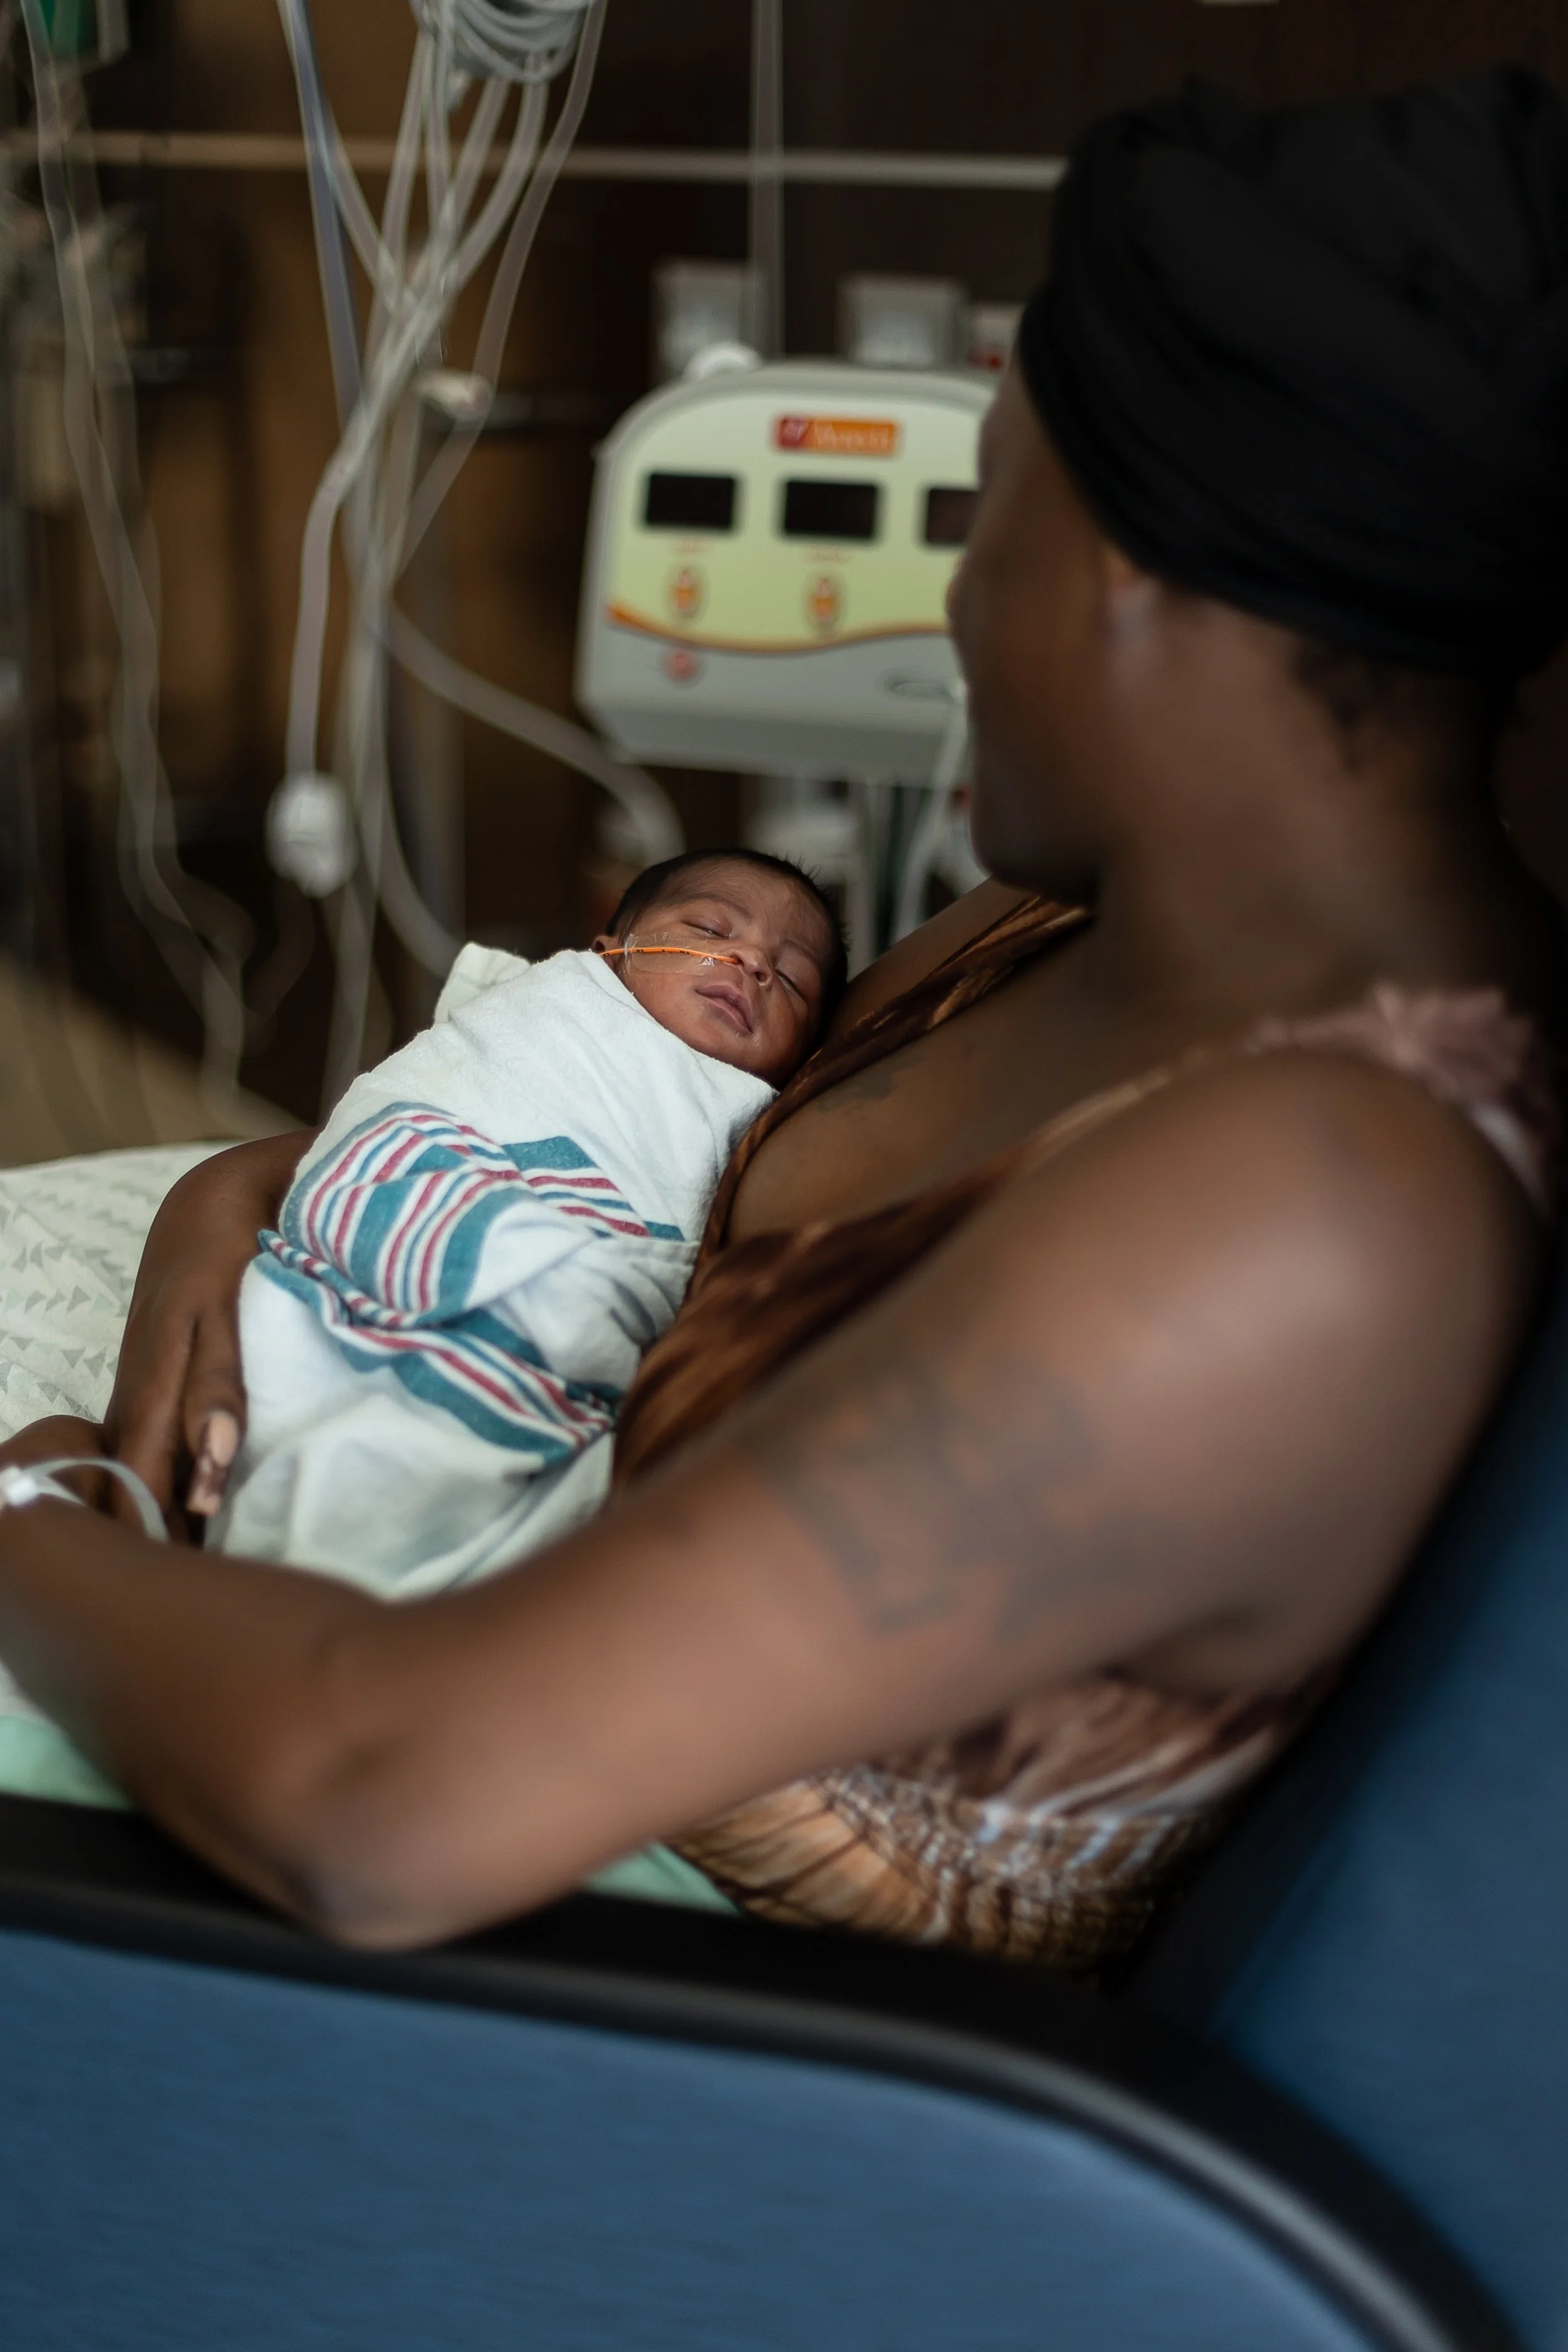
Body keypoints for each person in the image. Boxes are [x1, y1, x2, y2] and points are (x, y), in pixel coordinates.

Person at [0, 66, 1563, 1976]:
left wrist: (39, 1505)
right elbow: (660, 1169)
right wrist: (261, 1197)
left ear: (1133, 570)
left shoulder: (1316, 1200)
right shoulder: (1069, 924)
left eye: (982, 523)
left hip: (696, 2035)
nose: (954, 613)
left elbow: (378, 1794)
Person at [202, 849, 841, 1592]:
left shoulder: (744, 1111)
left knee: (554, 1333)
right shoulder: (554, 1010)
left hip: (568, 1287)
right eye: (708, 927)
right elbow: (419, 1108)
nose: (753, 962)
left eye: (793, 978)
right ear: (608, 954)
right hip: (429, 1195)